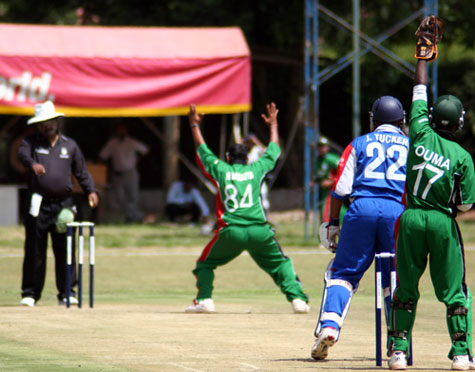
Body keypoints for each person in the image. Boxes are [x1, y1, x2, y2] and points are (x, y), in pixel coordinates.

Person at [387, 17, 475, 371]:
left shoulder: (419, 131)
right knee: (454, 292)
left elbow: (419, 91)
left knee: (406, 289)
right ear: (456, 124)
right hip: (441, 221)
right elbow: (465, 203)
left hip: (409, 218)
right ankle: (461, 353)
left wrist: (423, 56)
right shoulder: (464, 157)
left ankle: (397, 351)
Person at [184, 102, 310, 314]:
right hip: (259, 231)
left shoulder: (221, 169)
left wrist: (194, 125)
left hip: (231, 231)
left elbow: (202, 150)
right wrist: (273, 125)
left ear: (227, 158)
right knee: (280, 264)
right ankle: (298, 300)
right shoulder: (256, 169)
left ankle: (204, 299)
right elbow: (273, 151)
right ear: (248, 158)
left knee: (205, 264)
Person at [310, 96, 408, 360]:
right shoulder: (412, 145)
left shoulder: (359, 143)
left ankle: (330, 326)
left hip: (361, 209)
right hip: (398, 213)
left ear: (373, 119)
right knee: (393, 279)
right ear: (402, 121)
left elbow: (340, 189)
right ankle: (396, 343)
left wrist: (332, 223)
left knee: (342, 272)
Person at [17, 101, 99, 307]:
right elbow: (22, 155)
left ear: (56, 121)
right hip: (38, 204)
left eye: (50, 121)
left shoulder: (69, 145)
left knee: (65, 249)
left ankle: (67, 292)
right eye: (43, 123)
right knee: (35, 249)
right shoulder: (30, 143)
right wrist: (32, 164)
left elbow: (81, 171)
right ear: (38, 125)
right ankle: (31, 293)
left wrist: (91, 190)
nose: (47, 125)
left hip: (63, 205)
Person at [99, 122, 151, 223]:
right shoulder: (112, 143)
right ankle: (137, 216)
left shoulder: (131, 142)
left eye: (123, 130)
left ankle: (131, 217)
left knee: (133, 196)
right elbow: (102, 156)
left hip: (130, 172)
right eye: (119, 130)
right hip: (118, 173)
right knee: (120, 198)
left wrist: (137, 160)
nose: (121, 132)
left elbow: (145, 150)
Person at [310, 136, 341, 223]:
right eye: (319, 146)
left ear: (327, 147)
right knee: (323, 214)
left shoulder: (332, 159)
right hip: (323, 192)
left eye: (323, 146)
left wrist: (331, 181)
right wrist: (315, 180)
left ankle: (326, 235)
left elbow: (344, 172)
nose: (321, 149)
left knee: (326, 216)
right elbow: (320, 174)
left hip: (331, 191)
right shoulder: (318, 160)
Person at [243, 133, 271, 214]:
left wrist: (257, 141)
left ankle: (266, 215)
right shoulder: (244, 152)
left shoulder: (257, 150)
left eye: (250, 142)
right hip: (247, 179)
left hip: (258, 177)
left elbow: (267, 153)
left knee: (263, 195)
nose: (249, 144)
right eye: (248, 142)